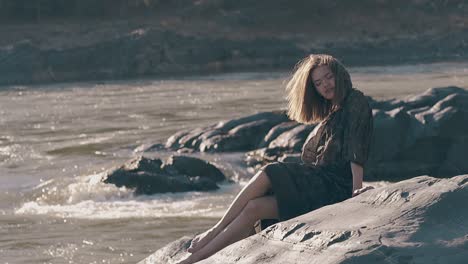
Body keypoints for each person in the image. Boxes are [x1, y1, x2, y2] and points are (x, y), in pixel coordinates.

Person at [175, 54, 374, 264]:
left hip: (333, 188)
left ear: (340, 74)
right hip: (319, 186)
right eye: (318, 83)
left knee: (270, 171)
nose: (325, 85)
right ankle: (194, 260)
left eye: (328, 77)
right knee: (254, 208)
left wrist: (356, 190)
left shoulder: (355, 101)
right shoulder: (333, 112)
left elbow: (356, 147)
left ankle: (214, 231)